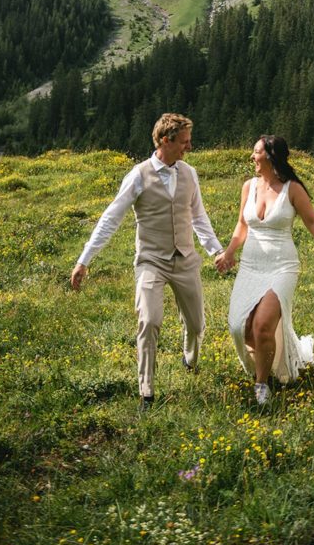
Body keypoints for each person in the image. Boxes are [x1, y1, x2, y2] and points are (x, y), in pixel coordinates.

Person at [71, 113, 224, 410]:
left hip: (186, 259)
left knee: (196, 324)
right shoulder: (138, 175)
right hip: (151, 260)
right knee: (149, 320)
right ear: (166, 141)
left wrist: (215, 250)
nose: (189, 148)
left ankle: (189, 359)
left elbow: (198, 216)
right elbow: (110, 219)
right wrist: (84, 260)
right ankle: (147, 392)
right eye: (184, 142)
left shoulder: (189, 174)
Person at [215, 135, 314, 406]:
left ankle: (261, 384)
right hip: (251, 266)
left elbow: (313, 223)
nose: (252, 157)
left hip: (282, 266)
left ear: (270, 156)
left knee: (263, 326)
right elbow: (242, 225)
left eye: (256, 152)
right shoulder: (248, 186)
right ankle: (268, 361)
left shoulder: (292, 189)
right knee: (241, 327)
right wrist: (228, 253)